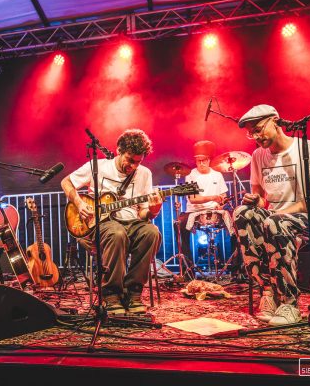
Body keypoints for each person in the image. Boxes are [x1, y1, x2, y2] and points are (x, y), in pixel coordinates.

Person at [233, 104, 310, 325]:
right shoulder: (258, 155)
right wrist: (254, 201)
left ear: (275, 121)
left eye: (258, 129)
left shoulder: (308, 148)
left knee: (275, 222)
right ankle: (268, 292)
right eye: (251, 133)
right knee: (242, 214)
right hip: (274, 220)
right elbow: (260, 197)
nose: (256, 136)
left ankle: (289, 303)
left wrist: (281, 213)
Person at [61, 129, 162, 315]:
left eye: (138, 162)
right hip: (102, 224)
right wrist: (79, 202)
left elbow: (142, 213)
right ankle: (111, 294)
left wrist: (154, 210)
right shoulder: (98, 166)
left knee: (152, 232)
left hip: (132, 222)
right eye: (130, 160)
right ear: (119, 150)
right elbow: (66, 182)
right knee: (117, 233)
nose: (133, 166)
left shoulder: (144, 174)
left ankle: (133, 292)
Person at [177, 140, 228, 275]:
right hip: (194, 211)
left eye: (204, 160)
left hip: (214, 210)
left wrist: (220, 203)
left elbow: (223, 195)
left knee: (236, 224)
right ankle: (189, 270)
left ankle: (236, 268)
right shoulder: (190, 175)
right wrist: (212, 198)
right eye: (198, 161)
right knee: (180, 224)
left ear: (209, 160)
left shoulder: (217, 175)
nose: (201, 163)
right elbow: (193, 199)